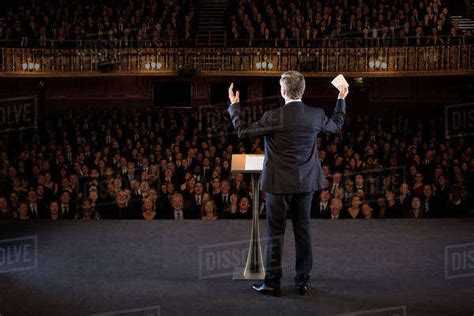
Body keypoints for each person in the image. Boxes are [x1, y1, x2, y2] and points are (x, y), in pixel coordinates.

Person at [227, 70, 348, 296]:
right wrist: (341, 99)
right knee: (303, 231)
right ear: (302, 91)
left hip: (278, 184)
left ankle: (272, 283)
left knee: (276, 233)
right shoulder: (315, 114)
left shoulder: (274, 116)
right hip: (306, 184)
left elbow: (243, 132)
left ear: (283, 92)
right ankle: (302, 282)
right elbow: (337, 126)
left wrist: (235, 106)